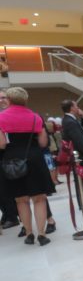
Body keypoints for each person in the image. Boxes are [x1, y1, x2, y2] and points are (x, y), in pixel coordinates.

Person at [0, 87, 54, 245]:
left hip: (13, 161)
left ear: (9, 100)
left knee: (21, 200)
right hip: (35, 160)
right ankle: (42, 234)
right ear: (25, 100)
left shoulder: (1, 117)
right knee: (39, 199)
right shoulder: (35, 117)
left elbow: (2, 144)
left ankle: (29, 233)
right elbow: (43, 142)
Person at [0, 88, 20, 231]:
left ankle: (12, 215)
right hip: (4, 154)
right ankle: (8, 213)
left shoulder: (16, 114)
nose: (1, 100)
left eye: (3, 97)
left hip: (14, 155)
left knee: (8, 187)